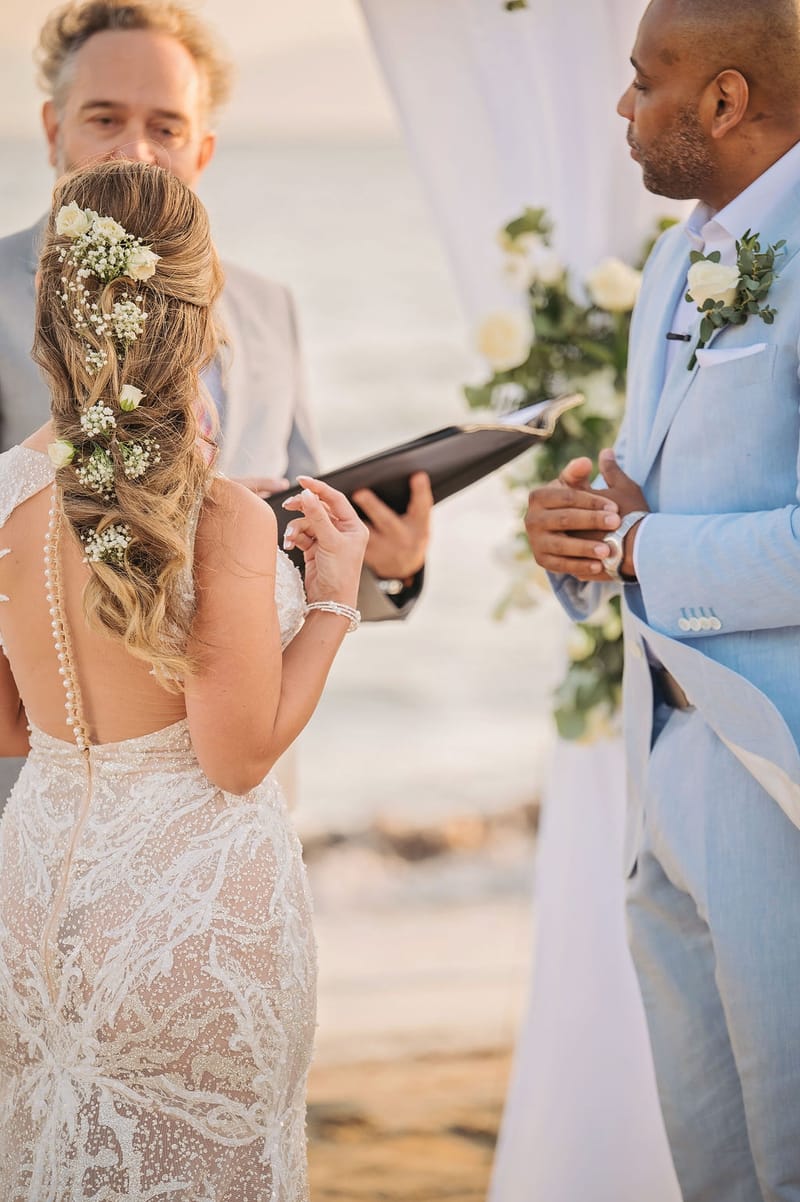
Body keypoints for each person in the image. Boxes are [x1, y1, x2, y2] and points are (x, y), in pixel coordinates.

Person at [0, 155, 367, 1197]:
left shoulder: (9, 495)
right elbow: (238, 753)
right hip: (190, 913)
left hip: (33, 895)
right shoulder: (220, 519)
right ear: (197, 312)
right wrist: (331, 595)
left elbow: (12, 727)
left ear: (55, 311)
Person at [0, 0, 433, 796]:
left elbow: (299, 507)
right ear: (53, 126)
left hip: (238, 789)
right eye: (104, 117)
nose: (135, 148)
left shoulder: (268, 309)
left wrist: (384, 567)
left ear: (201, 148)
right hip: (48, 782)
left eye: (166, 126)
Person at [525, 0, 800, 1196]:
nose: (622, 107)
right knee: (714, 1169)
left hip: (775, 775)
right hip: (661, 762)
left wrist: (638, 547)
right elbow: (639, 495)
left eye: (645, 81)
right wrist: (574, 535)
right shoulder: (670, 259)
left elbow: (664, 540)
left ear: (724, 101)